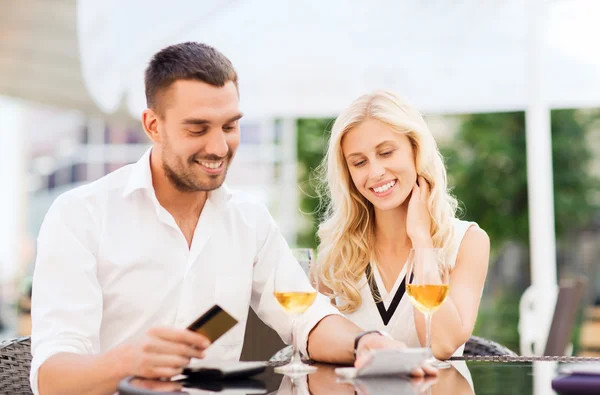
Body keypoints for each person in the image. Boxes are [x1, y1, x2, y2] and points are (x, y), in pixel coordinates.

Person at [29, 43, 435, 395]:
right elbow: (52, 379)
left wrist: (364, 342)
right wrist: (128, 360)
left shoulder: (249, 220)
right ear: (154, 125)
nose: (219, 146)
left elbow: (305, 315)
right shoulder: (80, 216)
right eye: (198, 128)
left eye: (230, 125)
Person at [315, 90, 490, 360]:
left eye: (386, 153)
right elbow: (314, 344)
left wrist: (422, 240)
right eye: (359, 162)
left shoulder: (467, 241)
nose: (375, 172)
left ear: (415, 151)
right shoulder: (337, 251)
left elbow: (441, 346)